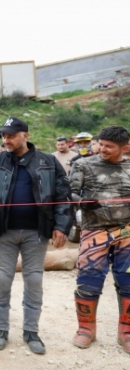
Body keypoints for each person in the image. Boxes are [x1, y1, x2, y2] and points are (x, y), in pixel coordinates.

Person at [0, 117, 71, 355]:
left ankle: (31, 332)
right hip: (3, 231)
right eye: (4, 136)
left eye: (11, 135)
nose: (6, 140)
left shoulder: (48, 162)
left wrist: (61, 226)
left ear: (25, 136)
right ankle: (0, 330)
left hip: (36, 232)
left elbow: (62, 195)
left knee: (34, 280)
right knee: (1, 279)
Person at [68, 126, 130, 353]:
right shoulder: (83, 165)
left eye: (109, 146)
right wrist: (81, 202)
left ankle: (126, 331)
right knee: (88, 280)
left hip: (127, 232)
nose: (102, 149)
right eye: (100, 144)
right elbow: (69, 192)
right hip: (94, 231)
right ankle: (86, 329)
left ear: (125, 148)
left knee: (128, 281)